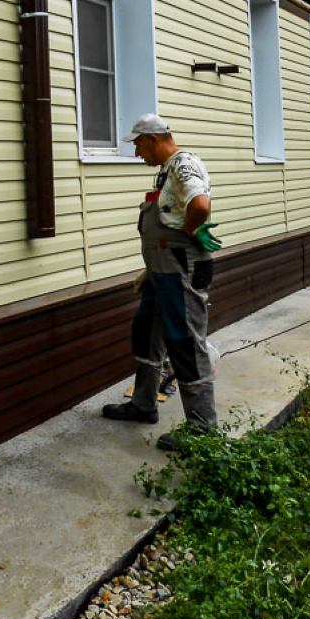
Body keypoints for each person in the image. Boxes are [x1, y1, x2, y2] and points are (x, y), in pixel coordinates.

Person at [102, 113, 221, 451]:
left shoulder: (183, 164)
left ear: (154, 139)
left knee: (185, 343)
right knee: (146, 334)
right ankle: (143, 404)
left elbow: (200, 205)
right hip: (161, 270)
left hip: (180, 268)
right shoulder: (165, 171)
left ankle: (202, 429)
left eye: (138, 145)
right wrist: (150, 268)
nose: (138, 153)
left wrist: (189, 231)